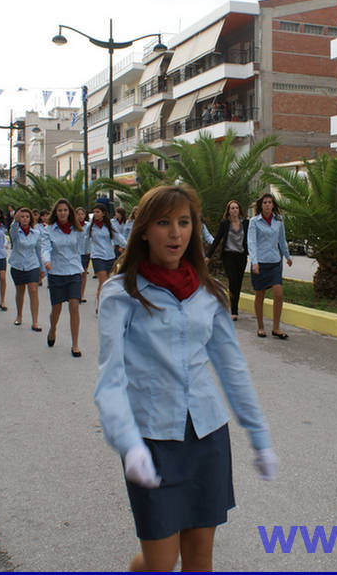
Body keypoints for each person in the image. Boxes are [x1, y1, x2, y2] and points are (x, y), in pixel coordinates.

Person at [94, 184, 278, 571]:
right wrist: (129, 443)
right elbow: (110, 380)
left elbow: (232, 367)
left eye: (184, 222)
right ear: (144, 230)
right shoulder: (121, 294)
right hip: (151, 440)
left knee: (199, 560)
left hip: (206, 436)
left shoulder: (208, 292)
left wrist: (259, 436)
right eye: (163, 223)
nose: (175, 233)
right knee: (160, 564)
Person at [40, 198, 86, 357]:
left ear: (69, 212)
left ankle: (75, 344)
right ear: (56, 212)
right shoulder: (49, 230)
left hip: (74, 271)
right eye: (60, 210)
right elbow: (45, 248)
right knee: (56, 309)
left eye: (65, 210)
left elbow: (83, 245)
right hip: (56, 272)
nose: (62, 213)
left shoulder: (77, 229)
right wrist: (46, 261)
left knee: (74, 306)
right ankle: (53, 329)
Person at [247, 193, 292, 339]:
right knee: (260, 295)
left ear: (273, 205)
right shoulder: (254, 221)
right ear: (261, 205)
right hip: (260, 263)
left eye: (270, 202)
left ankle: (276, 328)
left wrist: (287, 256)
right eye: (265, 202)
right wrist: (254, 262)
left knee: (278, 294)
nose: (267, 205)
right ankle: (260, 327)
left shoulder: (279, 220)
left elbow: (282, 240)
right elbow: (252, 243)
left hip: (275, 262)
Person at [206, 200, 249, 321]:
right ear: (228, 211)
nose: (234, 210)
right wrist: (208, 256)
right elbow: (217, 240)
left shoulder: (246, 223)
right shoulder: (225, 224)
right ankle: (234, 311)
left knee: (238, 283)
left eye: (236, 208)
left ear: (239, 210)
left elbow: (252, 238)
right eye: (232, 208)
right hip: (229, 256)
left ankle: (235, 308)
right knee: (233, 280)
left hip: (241, 256)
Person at [8, 208, 44, 332]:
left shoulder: (36, 233)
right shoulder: (16, 232)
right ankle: (19, 315)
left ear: (30, 219)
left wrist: (42, 268)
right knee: (20, 291)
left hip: (32, 265)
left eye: (27, 217)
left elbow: (39, 250)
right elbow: (12, 229)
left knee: (33, 290)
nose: (24, 219)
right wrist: (15, 219)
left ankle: (35, 321)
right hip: (18, 265)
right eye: (22, 217)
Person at [87, 203, 127, 310]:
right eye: (94, 212)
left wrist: (128, 246)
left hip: (109, 256)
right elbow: (83, 238)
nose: (95, 214)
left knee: (107, 282)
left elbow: (119, 237)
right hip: (97, 256)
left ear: (103, 213)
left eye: (98, 212)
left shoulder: (110, 225)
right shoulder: (90, 226)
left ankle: (104, 302)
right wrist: (84, 251)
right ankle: (100, 306)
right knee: (103, 281)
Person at [75, 207, 91, 303]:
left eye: (82, 214)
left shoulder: (88, 225)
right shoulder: (73, 226)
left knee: (84, 274)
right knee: (77, 274)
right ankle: (75, 294)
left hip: (85, 252)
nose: (80, 216)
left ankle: (81, 295)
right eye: (78, 214)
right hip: (75, 253)